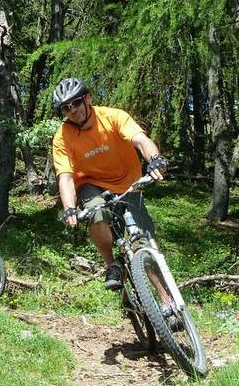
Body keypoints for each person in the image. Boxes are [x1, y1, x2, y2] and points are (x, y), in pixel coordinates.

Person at [52, 77, 168, 290]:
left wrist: (155, 159)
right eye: (65, 108)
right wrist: (69, 208)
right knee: (96, 211)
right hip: (91, 184)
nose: (72, 110)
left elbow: (141, 140)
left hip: (129, 184)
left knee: (143, 243)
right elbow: (66, 176)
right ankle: (111, 264)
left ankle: (167, 302)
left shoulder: (113, 116)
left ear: (88, 98)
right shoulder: (62, 137)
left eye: (75, 103)